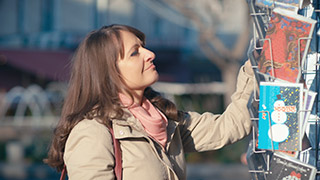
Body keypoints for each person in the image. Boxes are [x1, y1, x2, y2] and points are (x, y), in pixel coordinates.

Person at [44, 24, 255, 180]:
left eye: (143, 47)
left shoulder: (166, 120)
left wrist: (256, 66)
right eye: (135, 53)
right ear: (109, 71)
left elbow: (229, 126)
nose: (150, 54)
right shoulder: (92, 132)